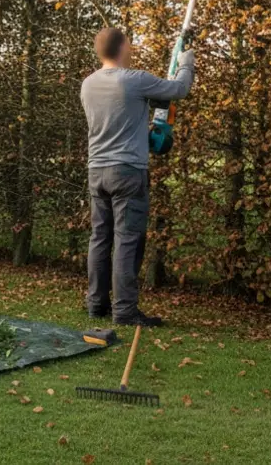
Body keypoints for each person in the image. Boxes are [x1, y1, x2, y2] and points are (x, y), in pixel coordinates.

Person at [80, 27, 194, 327]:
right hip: (127, 172)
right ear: (122, 47)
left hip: (97, 171)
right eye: (129, 43)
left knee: (100, 238)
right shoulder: (134, 80)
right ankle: (125, 311)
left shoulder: (88, 85)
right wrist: (186, 60)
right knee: (128, 241)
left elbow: (117, 120)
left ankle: (96, 304)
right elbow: (178, 89)